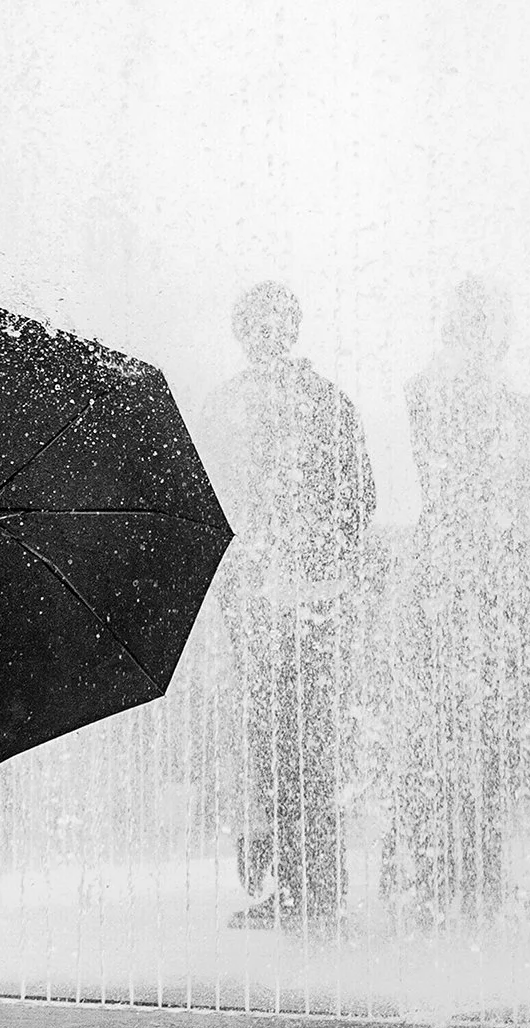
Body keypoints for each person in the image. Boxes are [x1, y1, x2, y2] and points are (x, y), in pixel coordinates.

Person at [192, 281, 376, 931]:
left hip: (273, 607)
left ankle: (303, 887)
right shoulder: (327, 402)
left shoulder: (232, 407)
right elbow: (362, 503)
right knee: (302, 745)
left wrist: (261, 572)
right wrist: (318, 567)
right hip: (307, 606)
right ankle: (309, 885)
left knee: (282, 746)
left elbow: (206, 513)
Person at [395, 275, 530, 923]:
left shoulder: (437, 394)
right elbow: (524, 502)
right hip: (478, 578)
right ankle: (462, 871)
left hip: (459, 576)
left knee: (455, 727)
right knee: (473, 727)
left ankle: (448, 870)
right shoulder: (497, 404)